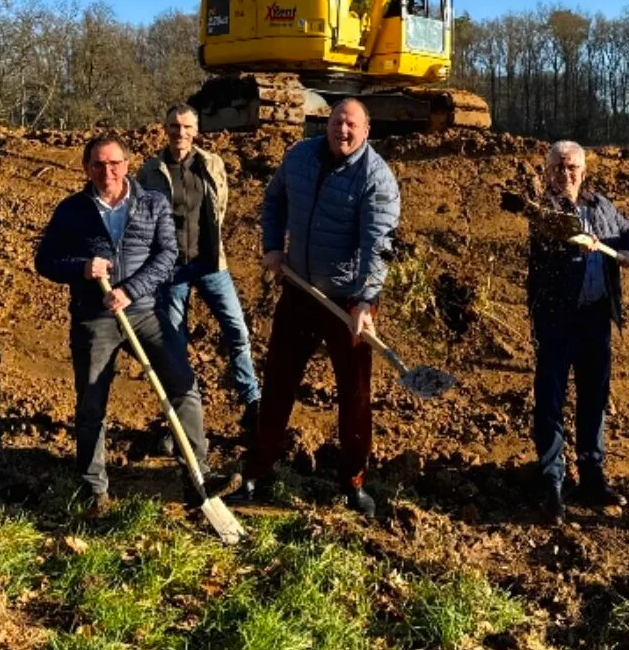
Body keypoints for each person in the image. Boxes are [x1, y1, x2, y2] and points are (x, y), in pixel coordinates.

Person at [232, 98, 400, 519]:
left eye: (353, 126)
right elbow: (274, 201)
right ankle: (256, 471)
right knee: (277, 383)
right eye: (338, 122)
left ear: (366, 132)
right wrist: (272, 246)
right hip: (299, 290)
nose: (343, 132)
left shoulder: (376, 179)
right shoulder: (300, 156)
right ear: (327, 122)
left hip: (346, 302)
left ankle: (353, 482)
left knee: (355, 396)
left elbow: (377, 246)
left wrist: (366, 300)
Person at [34, 132, 209, 515]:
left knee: (183, 387)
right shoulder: (72, 209)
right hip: (94, 317)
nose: (107, 171)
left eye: (114, 163)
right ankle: (94, 489)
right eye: (98, 164)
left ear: (127, 165)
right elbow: (44, 260)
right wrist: (81, 267)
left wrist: (130, 290)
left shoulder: (152, 203)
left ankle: (198, 479)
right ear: (87, 168)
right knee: (91, 403)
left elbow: (167, 255)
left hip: (145, 311)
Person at [526, 140, 629, 524]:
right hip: (557, 320)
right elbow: (556, 236)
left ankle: (592, 475)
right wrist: (579, 241)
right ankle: (552, 484)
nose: (566, 173)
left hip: (595, 319)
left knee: (594, 399)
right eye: (558, 167)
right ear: (547, 172)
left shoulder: (601, 206)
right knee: (550, 403)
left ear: (584, 171)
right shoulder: (544, 209)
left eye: (572, 167)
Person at [136, 103, 261, 432]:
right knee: (174, 343)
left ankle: (252, 401)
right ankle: (181, 416)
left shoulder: (212, 164)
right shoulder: (150, 171)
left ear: (196, 130)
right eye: (175, 126)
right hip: (171, 268)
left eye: (187, 127)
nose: (181, 133)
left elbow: (220, 206)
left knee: (237, 330)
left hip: (210, 263)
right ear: (166, 128)